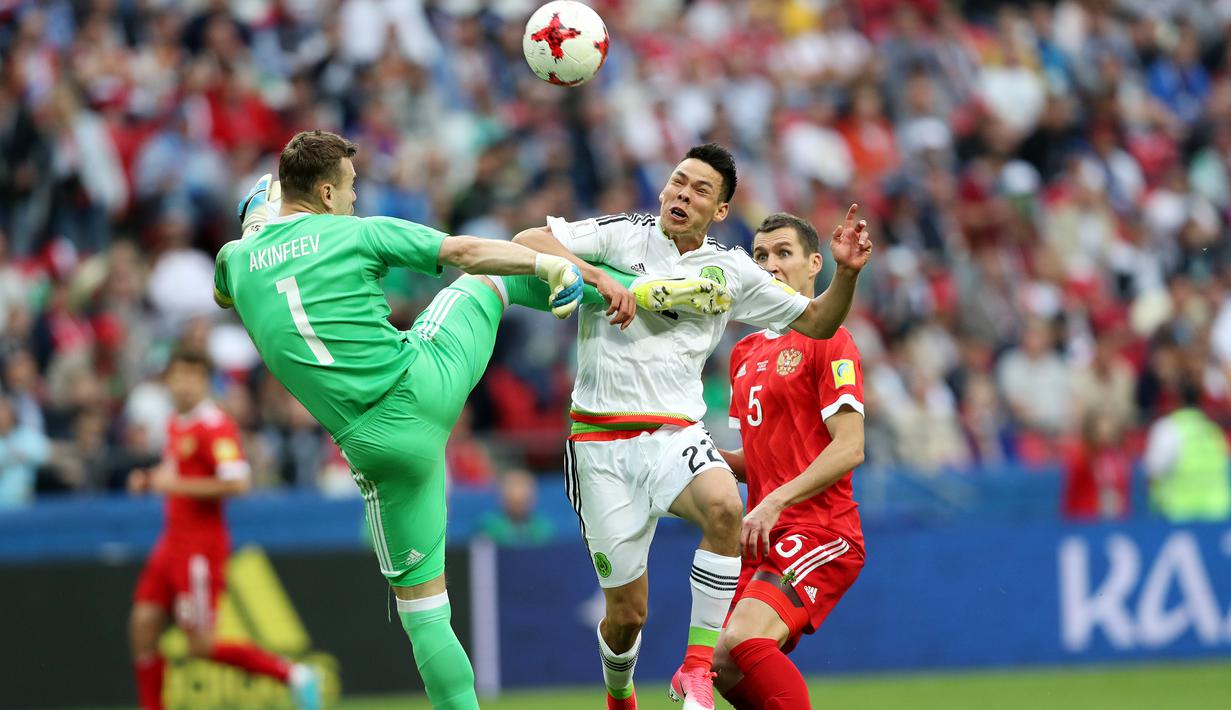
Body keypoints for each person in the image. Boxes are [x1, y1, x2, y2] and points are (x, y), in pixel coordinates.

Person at [215, 129, 605, 710]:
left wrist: (255, 224)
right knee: (489, 281)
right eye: (349, 187)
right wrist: (548, 268)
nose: (353, 198)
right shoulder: (356, 232)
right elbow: (465, 252)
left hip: (375, 450)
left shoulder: (234, 261)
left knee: (424, 614)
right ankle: (623, 291)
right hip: (423, 381)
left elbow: (227, 292)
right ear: (325, 193)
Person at [513, 144, 873, 710]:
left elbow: (822, 320)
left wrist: (847, 274)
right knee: (627, 618)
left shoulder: (731, 273)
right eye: (678, 182)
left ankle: (694, 670)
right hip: (598, 444)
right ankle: (620, 692)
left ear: (720, 210)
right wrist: (594, 278)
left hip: (680, 436)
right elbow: (527, 242)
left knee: (725, 511)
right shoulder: (622, 234)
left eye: (700, 189)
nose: (683, 193)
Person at [706, 213, 868, 709]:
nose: (770, 265)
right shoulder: (745, 352)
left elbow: (850, 446)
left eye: (782, 253)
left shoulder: (829, 338)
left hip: (821, 529)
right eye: (760, 256)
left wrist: (775, 500)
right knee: (718, 659)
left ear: (813, 264)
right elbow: (761, 461)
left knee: (742, 641)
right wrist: (693, 459)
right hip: (763, 532)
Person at [127, 348, 320, 710]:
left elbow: (238, 483)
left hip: (199, 547)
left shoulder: (214, 426)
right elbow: (178, 475)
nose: (184, 384)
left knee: (199, 644)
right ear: (167, 380)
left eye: (192, 376)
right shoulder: (176, 422)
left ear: (203, 381)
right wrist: (151, 479)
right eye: (178, 375)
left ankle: (292, 674)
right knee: (143, 625)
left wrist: (172, 486)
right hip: (171, 543)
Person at [1143, 380, 1231, 522]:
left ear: (1176, 400)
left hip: (1178, 517)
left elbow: (1152, 472)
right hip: (1216, 518)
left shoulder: (1168, 429)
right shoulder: (1214, 432)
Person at [477, 468, 555, 546]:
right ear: (503, 500)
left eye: (523, 501)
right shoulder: (490, 526)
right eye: (513, 502)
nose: (518, 507)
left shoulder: (542, 525)